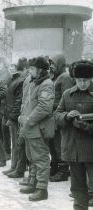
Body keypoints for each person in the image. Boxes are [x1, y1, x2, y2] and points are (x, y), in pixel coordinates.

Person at [55, 60, 93, 210]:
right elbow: (56, 115)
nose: (82, 83)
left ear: (91, 79)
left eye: (85, 80)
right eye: (79, 80)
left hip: (90, 149)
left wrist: (85, 126)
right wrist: (66, 116)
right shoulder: (67, 94)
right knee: (77, 188)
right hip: (73, 149)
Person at [18, 56, 54, 201]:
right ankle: (33, 182)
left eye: (32, 69)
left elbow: (45, 107)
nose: (29, 71)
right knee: (31, 157)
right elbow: (26, 102)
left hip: (38, 128)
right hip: (29, 127)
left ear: (40, 70)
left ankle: (41, 189)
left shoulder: (46, 84)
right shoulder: (32, 82)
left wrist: (28, 120)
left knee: (41, 159)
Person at [48, 54, 75, 182]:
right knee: (53, 142)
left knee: (60, 144)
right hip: (53, 115)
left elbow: (67, 98)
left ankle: (63, 170)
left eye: (53, 64)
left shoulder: (65, 78)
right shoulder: (57, 77)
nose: (51, 67)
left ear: (59, 64)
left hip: (60, 115)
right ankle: (54, 166)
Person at [4, 58, 29, 179]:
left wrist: (12, 117)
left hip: (16, 117)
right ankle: (15, 167)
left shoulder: (18, 81)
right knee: (16, 144)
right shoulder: (18, 80)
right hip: (15, 116)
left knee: (18, 144)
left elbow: (18, 102)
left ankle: (18, 168)